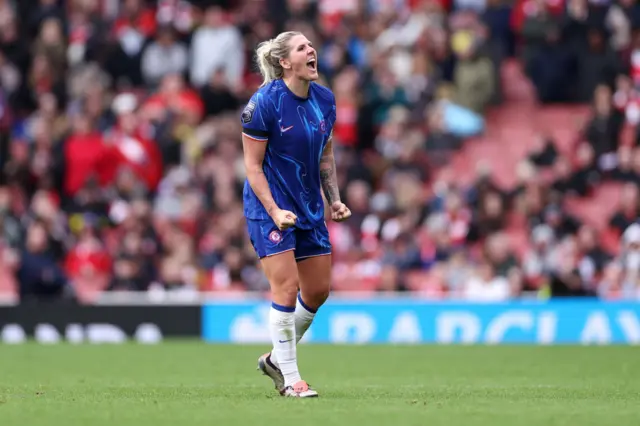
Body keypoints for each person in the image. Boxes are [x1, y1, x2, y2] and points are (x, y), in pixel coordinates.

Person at [240, 31, 351, 398]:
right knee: (286, 287)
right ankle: (290, 378)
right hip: (268, 206)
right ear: (285, 62)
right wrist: (274, 211)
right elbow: (253, 168)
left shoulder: (325, 100)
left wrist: (333, 199)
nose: (311, 50)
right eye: (302, 47)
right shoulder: (264, 104)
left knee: (317, 291)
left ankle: (275, 358)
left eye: (311, 46)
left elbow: (326, 155)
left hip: (308, 207)